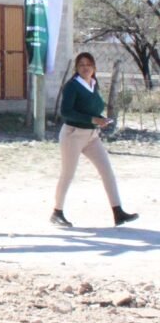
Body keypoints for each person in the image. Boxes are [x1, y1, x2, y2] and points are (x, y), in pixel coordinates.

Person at [51, 52, 138, 228]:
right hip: (73, 134)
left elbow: (92, 109)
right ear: (76, 68)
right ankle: (57, 212)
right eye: (81, 64)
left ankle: (118, 211)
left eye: (88, 64)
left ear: (94, 67)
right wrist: (93, 120)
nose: (85, 67)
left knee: (107, 171)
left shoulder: (93, 83)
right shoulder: (72, 86)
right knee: (68, 174)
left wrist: (100, 119)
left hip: (91, 136)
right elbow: (66, 112)